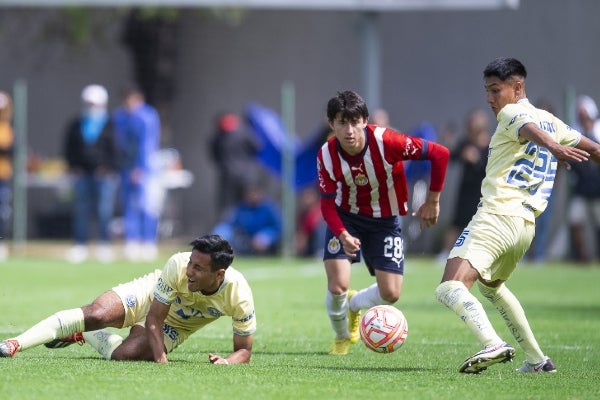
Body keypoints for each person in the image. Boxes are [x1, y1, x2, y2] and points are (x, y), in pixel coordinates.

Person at [435, 57, 600, 374]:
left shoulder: (514, 113)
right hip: (525, 226)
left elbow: (527, 129)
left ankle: (492, 343)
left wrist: (553, 147)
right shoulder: (552, 120)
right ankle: (538, 361)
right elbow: (594, 149)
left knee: (449, 287)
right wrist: (556, 144)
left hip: (497, 215)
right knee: (491, 287)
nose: (489, 99)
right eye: (487, 91)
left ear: (518, 87)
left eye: (495, 90)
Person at [317, 90, 450, 355]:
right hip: (345, 216)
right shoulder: (327, 155)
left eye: (355, 122)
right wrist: (342, 233)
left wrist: (433, 201)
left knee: (391, 294)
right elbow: (327, 202)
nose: (349, 130)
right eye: (342, 122)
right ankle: (342, 335)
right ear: (331, 124)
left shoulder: (388, 141)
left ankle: (355, 304)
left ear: (365, 120)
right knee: (337, 284)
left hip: (385, 220)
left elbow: (440, 154)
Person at [0, 234, 256, 364]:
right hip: (150, 297)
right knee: (96, 314)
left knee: (124, 355)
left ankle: (86, 333)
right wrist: (161, 360)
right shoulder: (177, 265)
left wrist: (227, 363)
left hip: (176, 325)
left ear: (218, 273)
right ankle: (14, 344)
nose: (189, 271)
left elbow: (244, 350)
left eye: (198, 269)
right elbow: (154, 316)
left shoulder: (239, 295)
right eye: (190, 262)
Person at [64, 84, 119, 264]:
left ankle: (104, 244)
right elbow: (69, 148)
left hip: (104, 177)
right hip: (82, 176)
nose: (91, 107)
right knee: (81, 210)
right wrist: (73, 166)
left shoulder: (111, 124)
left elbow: (116, 150)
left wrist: (108, 167)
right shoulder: (76, 123)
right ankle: (80, 244)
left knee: (104, 211)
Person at [113, 87, 162, 261]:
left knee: (146, 205)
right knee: (128, 206)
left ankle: (149, 241)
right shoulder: (120, 116)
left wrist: (140, 168)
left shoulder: (147, 117)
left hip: (145, 169)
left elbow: (146, 145)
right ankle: (132, 241)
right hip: (126, 167)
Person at [437, 109, 491, 263]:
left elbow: (489, 167)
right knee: (457, 223)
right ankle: (444, 253)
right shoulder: (466, 143)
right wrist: (447, 143)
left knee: (482, 225)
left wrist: (476, 161)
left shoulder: (490, 145)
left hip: (483, 191)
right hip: (465, 190)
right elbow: (451, 157)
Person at [567, 95, 600, 263]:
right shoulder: (575, 133)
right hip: (581, 188)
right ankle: (582, 256)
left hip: (598, 190)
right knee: (575, 221)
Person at [209, 112, 261, 216]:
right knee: (246, 201)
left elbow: (214, 155)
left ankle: (229, 227)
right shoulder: (245, 132)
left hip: (228, 174)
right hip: (246, 174)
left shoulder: (218, 136)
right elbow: (257, 147)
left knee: (228, 204)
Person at [212, 184, 281, 255]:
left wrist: (266, 235)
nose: (253, 195)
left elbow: (277, 227)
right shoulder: (241, 208)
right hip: (244, 238)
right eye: (250, 193)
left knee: (262, 239)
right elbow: (231, 223)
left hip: (262, 236)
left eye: (255, 193)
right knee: (222, 229)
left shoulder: (269, 208)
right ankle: (216, 251)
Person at [0, 91, 14, 261]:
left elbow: (10, 150)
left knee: (2, 212)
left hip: (2, 176)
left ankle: (1, 243)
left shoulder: (7, 129)